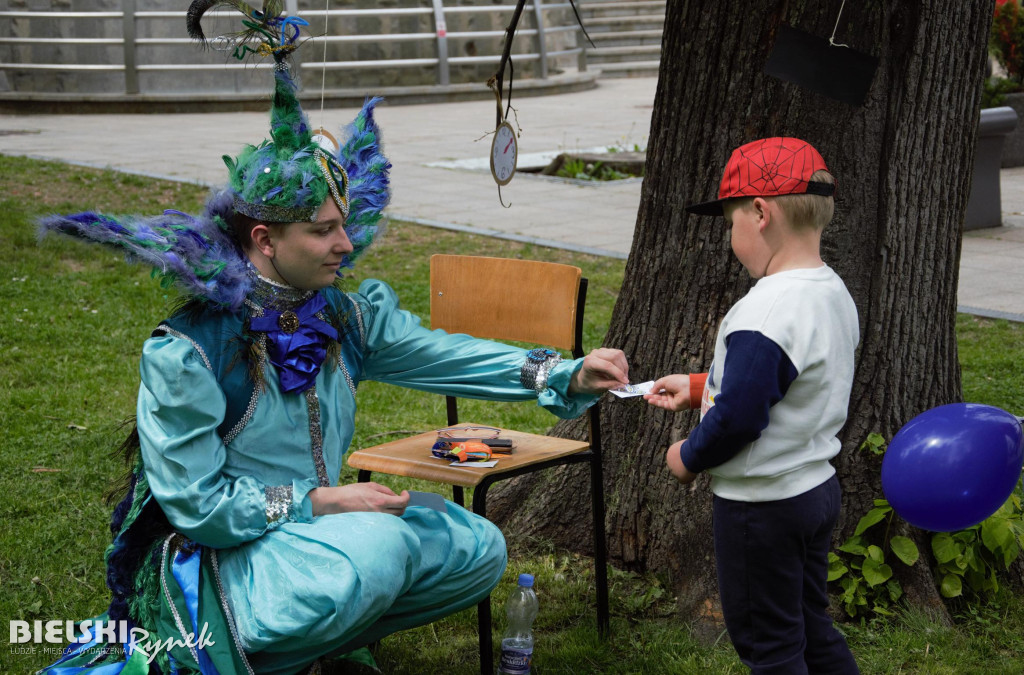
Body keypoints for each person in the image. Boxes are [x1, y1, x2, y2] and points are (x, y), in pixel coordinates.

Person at [38, 8, 628, 675]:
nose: (345, 246)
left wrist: (562, 372)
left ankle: (309, 648)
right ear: (265, 239)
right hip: (224, 560)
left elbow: (446, 354)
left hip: (315, 540)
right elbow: (198, 507)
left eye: (343, 225)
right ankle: (255, 648)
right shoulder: (188, 350)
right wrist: (319, 501)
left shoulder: (345, 317)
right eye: (322, 231)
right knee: (379, 544)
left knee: (475, 545)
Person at [643, 138, 860, 674]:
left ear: (761, 213)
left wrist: (688, 457)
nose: (731, 237)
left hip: (760, 506)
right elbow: (791, 379)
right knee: (810, 627)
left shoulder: (766, 309)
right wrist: (700, 387)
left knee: (770, 646)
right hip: (813, 490)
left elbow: (740, 416)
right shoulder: (829, 291)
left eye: (730, 221)